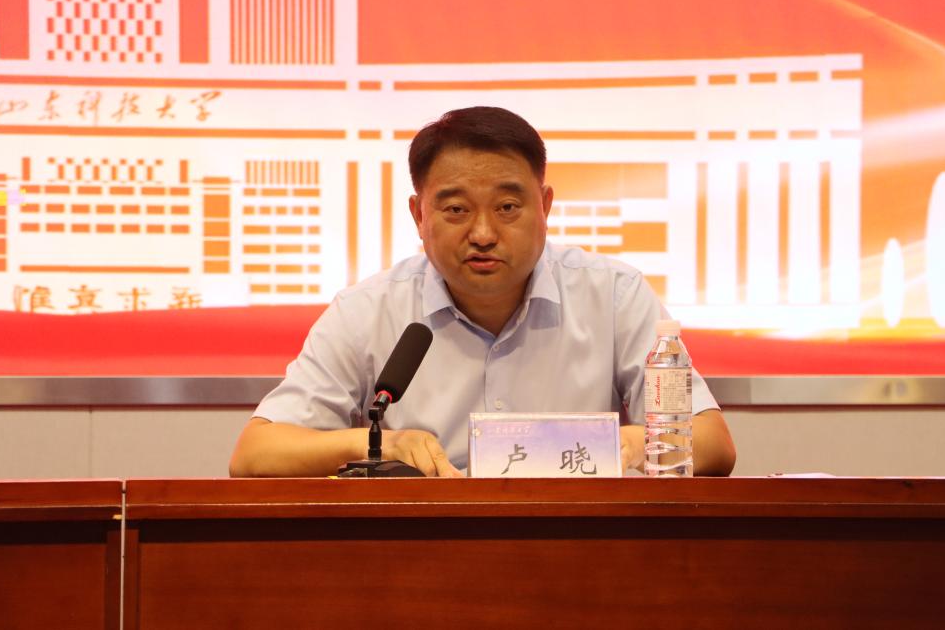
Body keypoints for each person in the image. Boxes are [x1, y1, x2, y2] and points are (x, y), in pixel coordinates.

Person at [230, 106, 736, 478]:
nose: (484, 234)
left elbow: (713, 443)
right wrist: (382, 444)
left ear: (545, 207)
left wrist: (625, 445)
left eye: (508, 208)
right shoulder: (368, 311)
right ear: (418, 215)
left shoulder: (614, 295)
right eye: (456, 210)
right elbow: (255, 455)